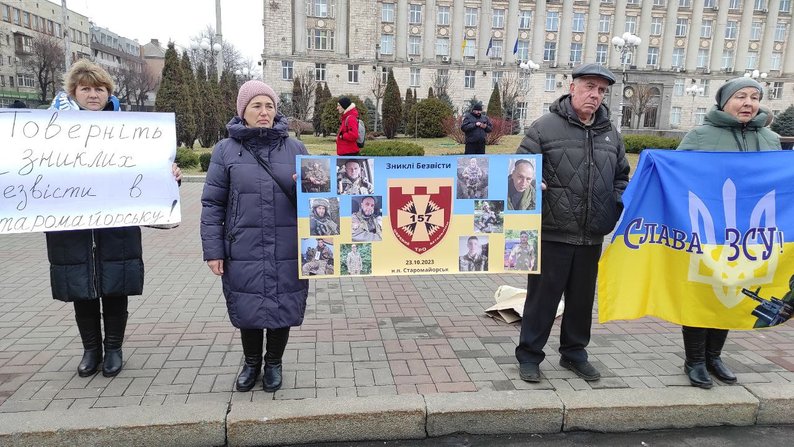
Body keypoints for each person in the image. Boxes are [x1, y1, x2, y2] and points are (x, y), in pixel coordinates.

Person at [45, 59, 182, 379]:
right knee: (82, 288)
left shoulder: (130, 131)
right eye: (86, 89)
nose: (94, 95)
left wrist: (169, 176)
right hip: (73, 228)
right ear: (74, 92)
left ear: (109, 92)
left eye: (100, 89)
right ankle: (91, 349)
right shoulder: (51, 130)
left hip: (116, 226)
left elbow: (148, 172)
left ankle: (114, 348)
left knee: (115, 287)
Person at [514, 63, 630, 383]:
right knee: (542, 300)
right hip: (552, 232)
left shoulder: (610, 133)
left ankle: (574, 353)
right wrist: (529, 183)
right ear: (572, 87)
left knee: (581, 302)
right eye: (590, 87)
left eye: (601, 90)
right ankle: (529, 355)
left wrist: (614, 204)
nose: (595, 95)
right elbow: (517, 172)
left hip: (592, 234)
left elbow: (622, 176)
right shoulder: (544, 128)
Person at [201, 80, 309, 393]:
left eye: (269, 106)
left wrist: (300, 186)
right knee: (247, 308)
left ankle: (273, 362)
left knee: (282, 305)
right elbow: (212, 204)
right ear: (243, 111)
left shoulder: (295, 149)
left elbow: (318, 201)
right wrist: (213, 250)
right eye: (256, 106)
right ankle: (251, 363)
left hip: (287, 245)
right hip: (242, 246)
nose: (264, 112)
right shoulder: (225, 151)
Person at [676, 76, 781, 389]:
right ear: (724, 102)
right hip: (706, 230)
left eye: (753, 97)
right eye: (740, 96)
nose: (748, 103)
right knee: (701, 293)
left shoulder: (770, 139)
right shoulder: (700, 136)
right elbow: (676, 176)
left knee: (732, 292)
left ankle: (714, 356)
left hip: (747, 234)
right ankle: (693, 359)